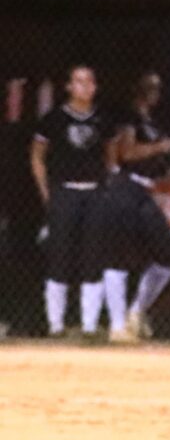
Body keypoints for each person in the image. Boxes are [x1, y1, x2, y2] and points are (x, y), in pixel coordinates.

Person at [29, 64, 118, 338]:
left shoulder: (103, 119)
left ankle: (89, 326)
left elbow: (111, 155)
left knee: (93, 257)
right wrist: (47, 193)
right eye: (78, 81)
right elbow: (37, 157)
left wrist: (107, 187)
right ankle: (56, 326)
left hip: (93, 193)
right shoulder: (53, 119)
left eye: (89, 81)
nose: (85, 86)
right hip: (64, 192)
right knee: (60, 257)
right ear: (68, 86)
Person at [101, 71, 170, 342]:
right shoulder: (128, 117)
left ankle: (135, 312)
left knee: (167, 256)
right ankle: (117, 326)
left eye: (158, 88)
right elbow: (127, 152)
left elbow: (152, 157)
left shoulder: (153, 121)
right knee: (119, 256)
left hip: (147, 189)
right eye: (150, 88)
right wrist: (160, 146)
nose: (155, 93)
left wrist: (168, 170)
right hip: (126, 186)